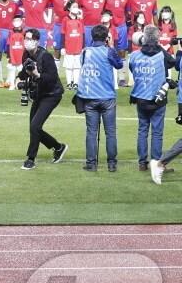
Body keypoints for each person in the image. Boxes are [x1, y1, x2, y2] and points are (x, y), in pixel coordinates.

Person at [129, 25, 176, 171]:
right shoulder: (161, 55)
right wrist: (159, 46)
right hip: (158, 99)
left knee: (142, 130)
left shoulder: (135, 55)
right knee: (157, 132)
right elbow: (172, 62)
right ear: (157, 39)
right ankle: (156, 163)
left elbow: (132, 68)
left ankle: (142, 163)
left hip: (141, 97)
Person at [20, 29, 68, 170]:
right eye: (26, 38)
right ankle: (58, 147)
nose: (27, 41)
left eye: (30, 38)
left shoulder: (45, 56)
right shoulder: (26, 54)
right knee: (34, 127)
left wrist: (37, 75)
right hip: (39, 94)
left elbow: (52, 78)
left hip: (52, 94)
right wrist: (20, 78)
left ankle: (30, 159)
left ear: (37, 41)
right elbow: (24, 72)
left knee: (34, 127)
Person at [77, 24, 123, 172]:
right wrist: (111, 46)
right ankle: (112, 163)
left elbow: (82, 64)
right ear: (106, 37)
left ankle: (91, 163)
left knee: (91, 132)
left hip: (90, 98)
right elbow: (119, 65)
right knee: (110, 132)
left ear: (92, 36)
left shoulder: (85, 52)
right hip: (107, 97)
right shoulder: (108, 51)